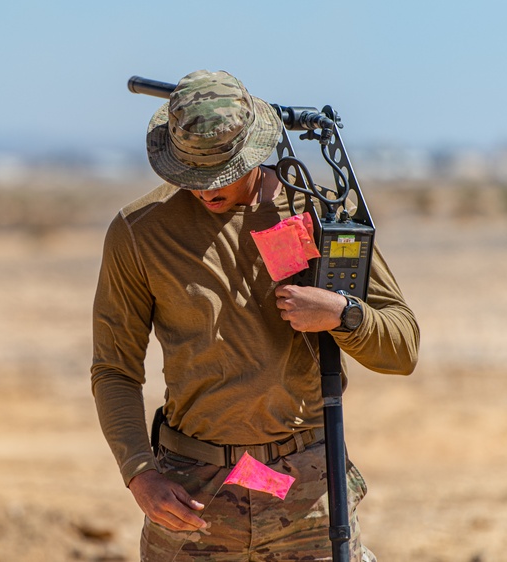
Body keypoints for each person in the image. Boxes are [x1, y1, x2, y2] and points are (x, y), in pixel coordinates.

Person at [90, 69, 419, 561]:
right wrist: (140, 474)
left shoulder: (315, 215)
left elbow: (403, 346)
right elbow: (114, 369)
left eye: (219, 173)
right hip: (192, 496)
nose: (204, 189)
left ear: (253, 150)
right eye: (190, 174)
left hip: (307, 496)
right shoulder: (140, 232)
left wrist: (342, 315)